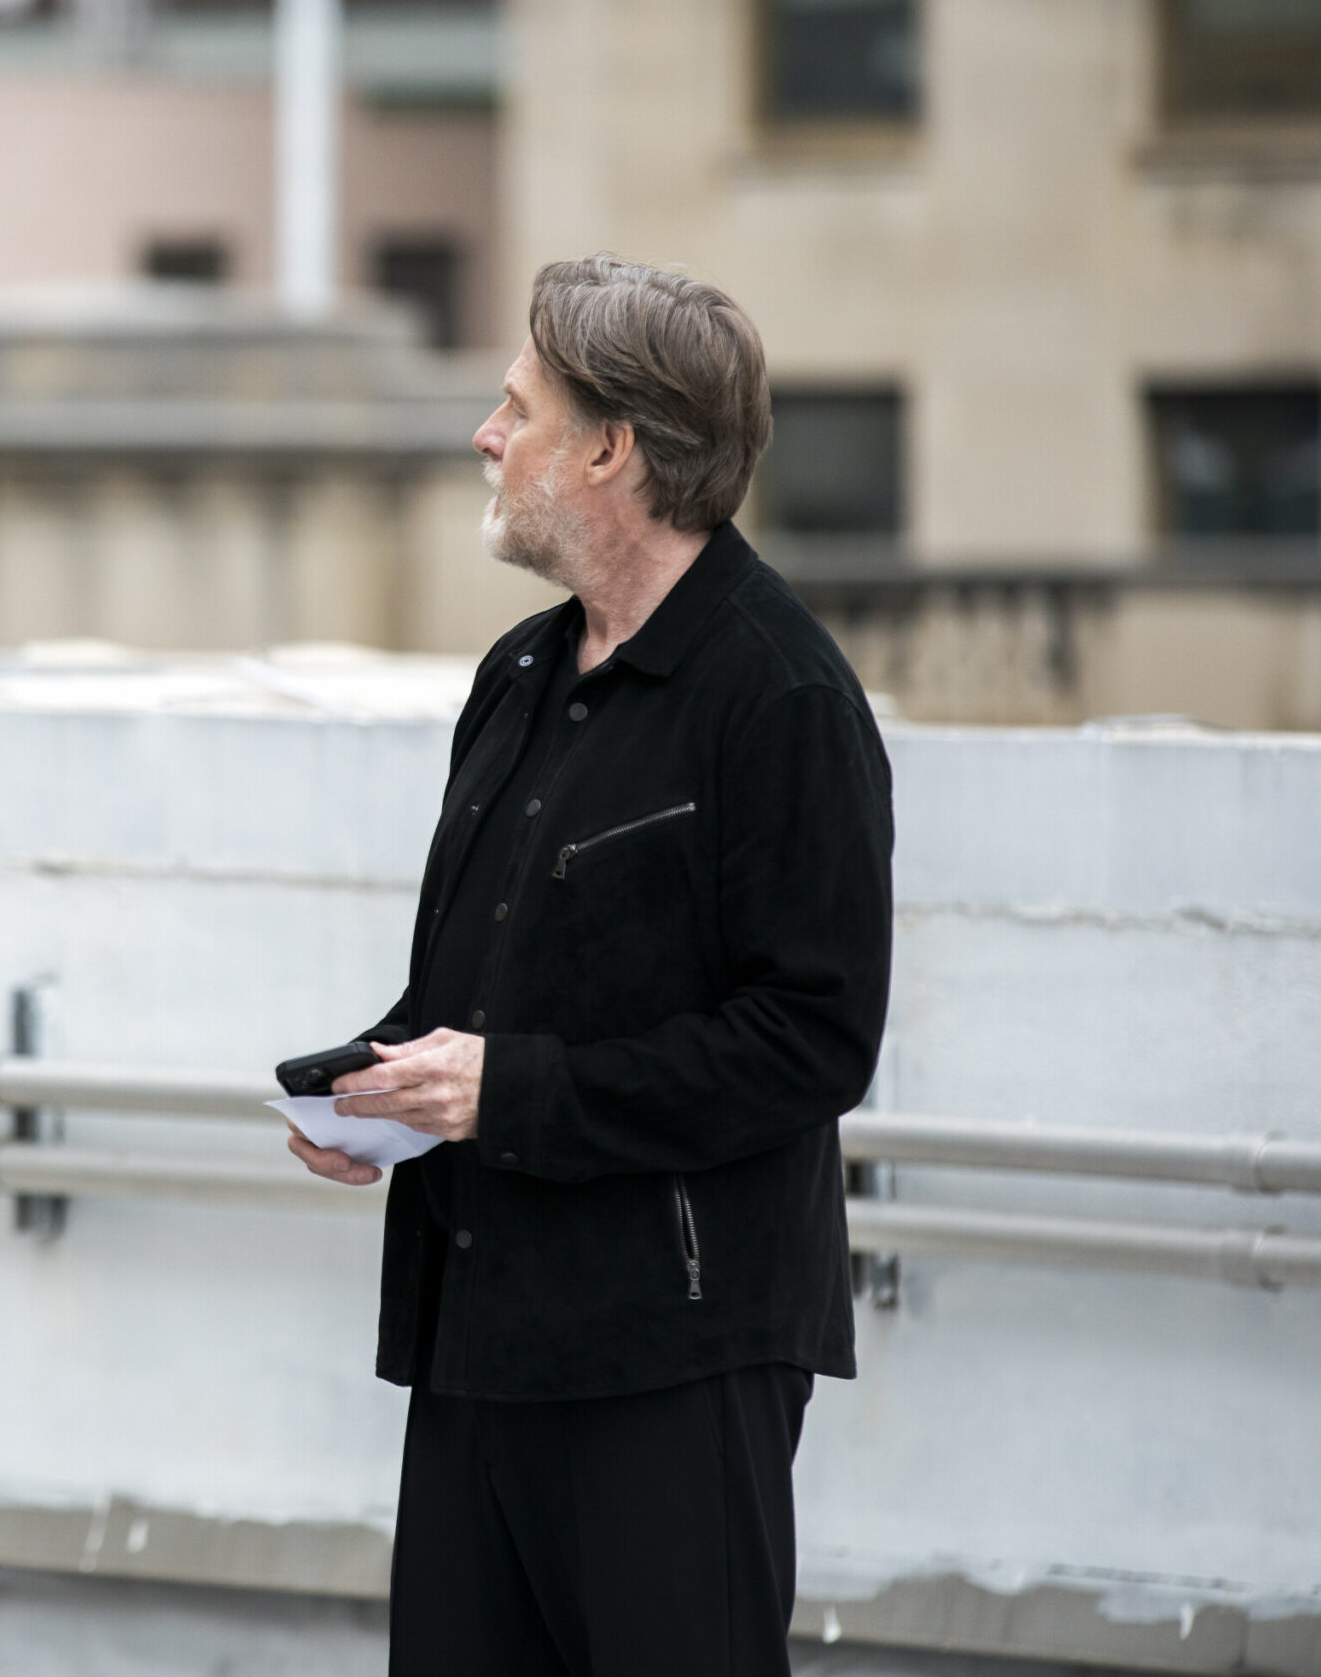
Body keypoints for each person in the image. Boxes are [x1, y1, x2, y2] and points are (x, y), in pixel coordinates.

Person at [286, 256, 894, 1676]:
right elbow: (484, 993)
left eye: (516, 408)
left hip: (674, 1357)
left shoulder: (783, 695)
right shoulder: (517, 673)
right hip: (476, 1337)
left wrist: (507, 1092)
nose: (485, 438)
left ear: (612, 447)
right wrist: (381, 1084)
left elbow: (815, 1040)